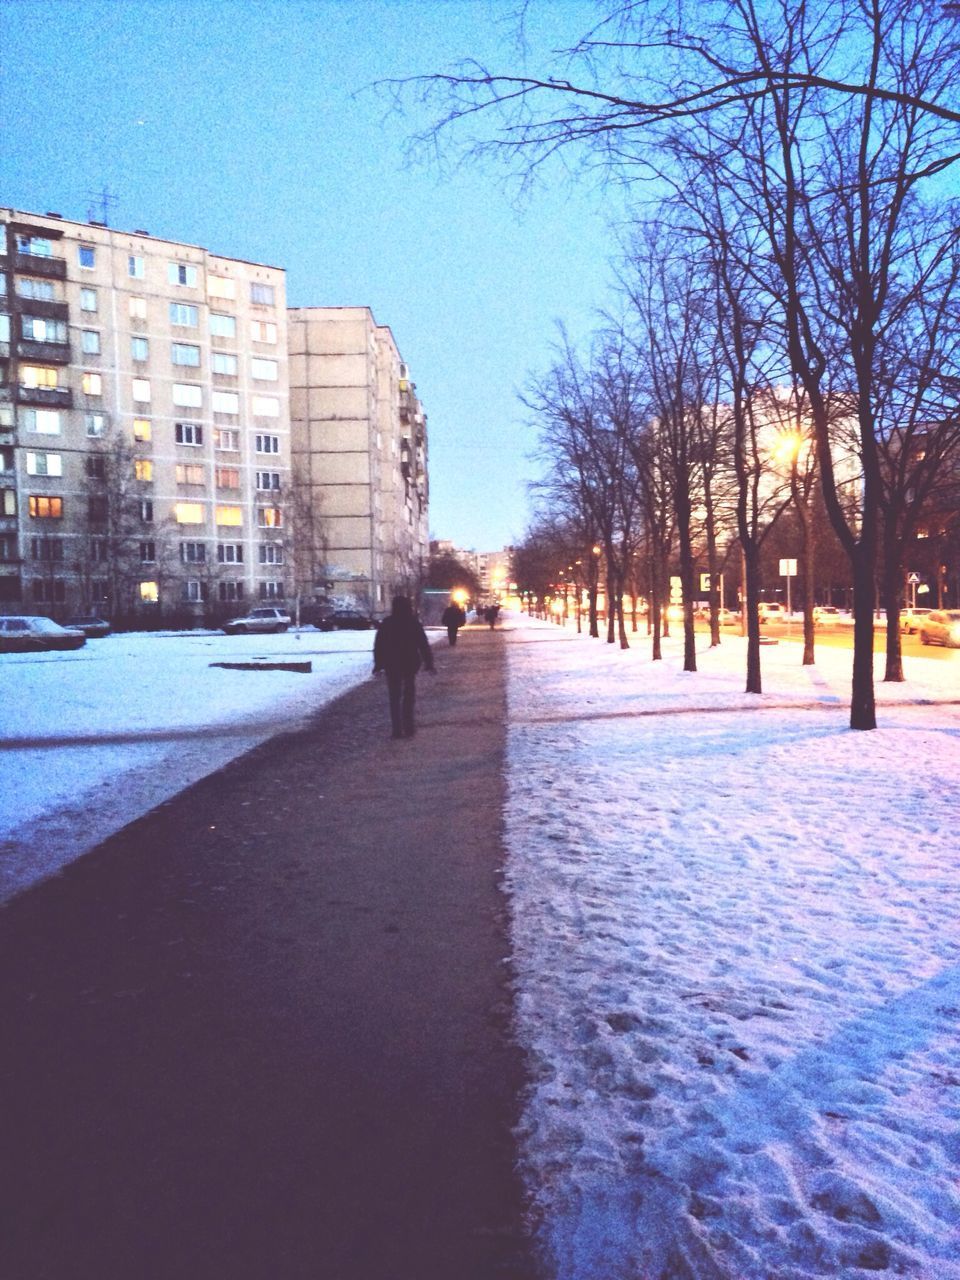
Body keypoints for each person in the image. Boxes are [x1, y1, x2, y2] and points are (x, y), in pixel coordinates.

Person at [372, 595, 435, 739]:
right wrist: (429, 662)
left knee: (394, 697)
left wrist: (378, 664)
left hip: (392, 664)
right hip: (409, 663)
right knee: (409, 695)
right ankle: (409, 727)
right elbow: (423, 644)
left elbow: (379, 645)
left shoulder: (387, 623)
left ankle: (396, 730)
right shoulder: (413, 622)